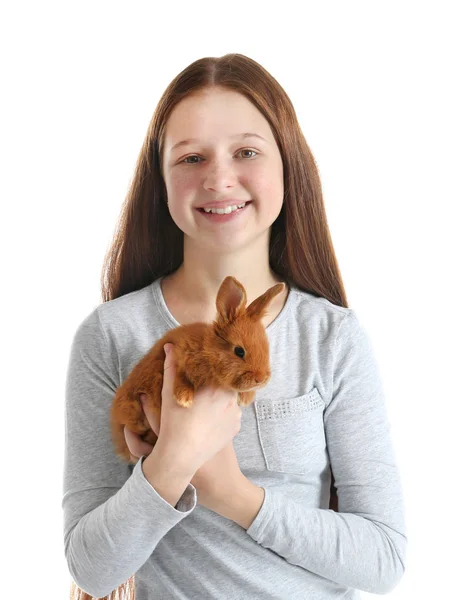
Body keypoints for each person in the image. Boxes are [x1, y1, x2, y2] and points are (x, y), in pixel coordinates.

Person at [63, 53, 407, 600]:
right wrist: (171, 466)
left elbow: (384, 559)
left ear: (287, 166)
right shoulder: (111, 335)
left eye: (246, 152)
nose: (220, 178)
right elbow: (91, 569)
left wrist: (230, 493)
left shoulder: (331, 337)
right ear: (161, 182)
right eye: (191, 157)